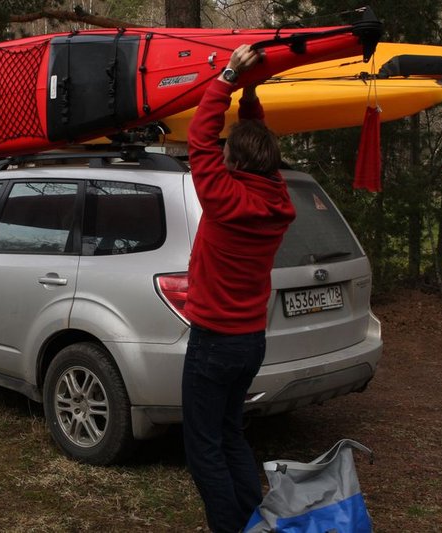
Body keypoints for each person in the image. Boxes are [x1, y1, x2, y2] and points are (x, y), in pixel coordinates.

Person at [182, 45, 296, 533]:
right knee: (230, 434)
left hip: (213, 343)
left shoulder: (225, 198)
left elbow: (198, 138)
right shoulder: (278, 197)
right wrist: (250, 92)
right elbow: (250, 146)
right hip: (250, 342)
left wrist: (228, 74)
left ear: (236, 163)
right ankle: (254, 521)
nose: (220, 153)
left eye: (228, 152)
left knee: (203, 446)